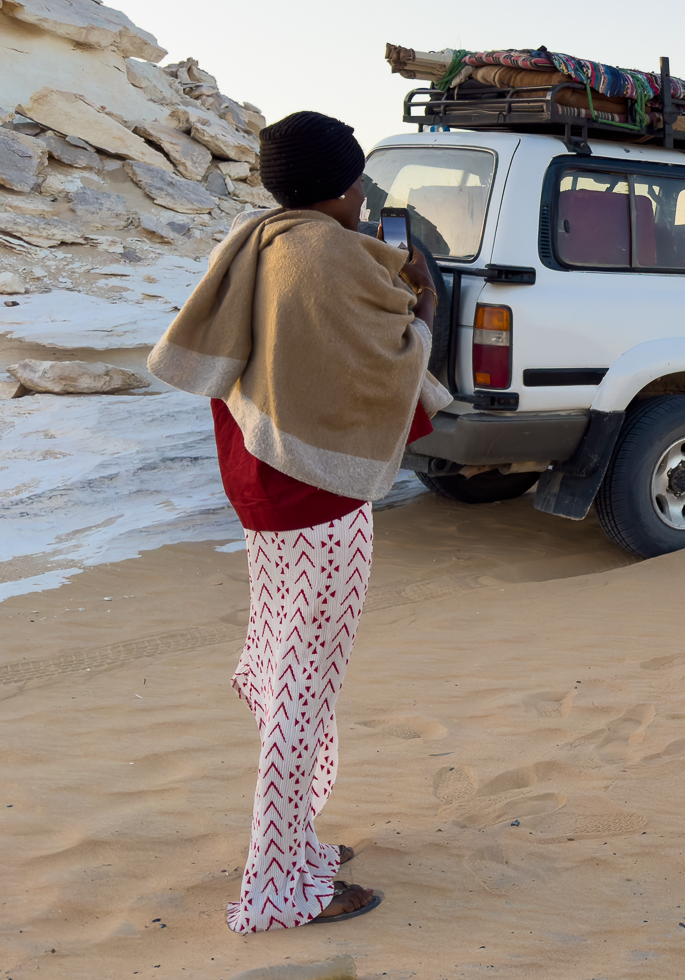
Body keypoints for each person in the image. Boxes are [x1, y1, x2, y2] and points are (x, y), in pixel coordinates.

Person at [149, 111, 450, 932]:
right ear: (343, 187)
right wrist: (422, 301)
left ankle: (291, 841)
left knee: (285, 665)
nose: (364, 197)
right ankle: (280, 887)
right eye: (359, 183)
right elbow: (381, 369)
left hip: (264, 491)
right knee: (301, 690)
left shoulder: (260, 238)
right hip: (319, 503)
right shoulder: (332, 258)